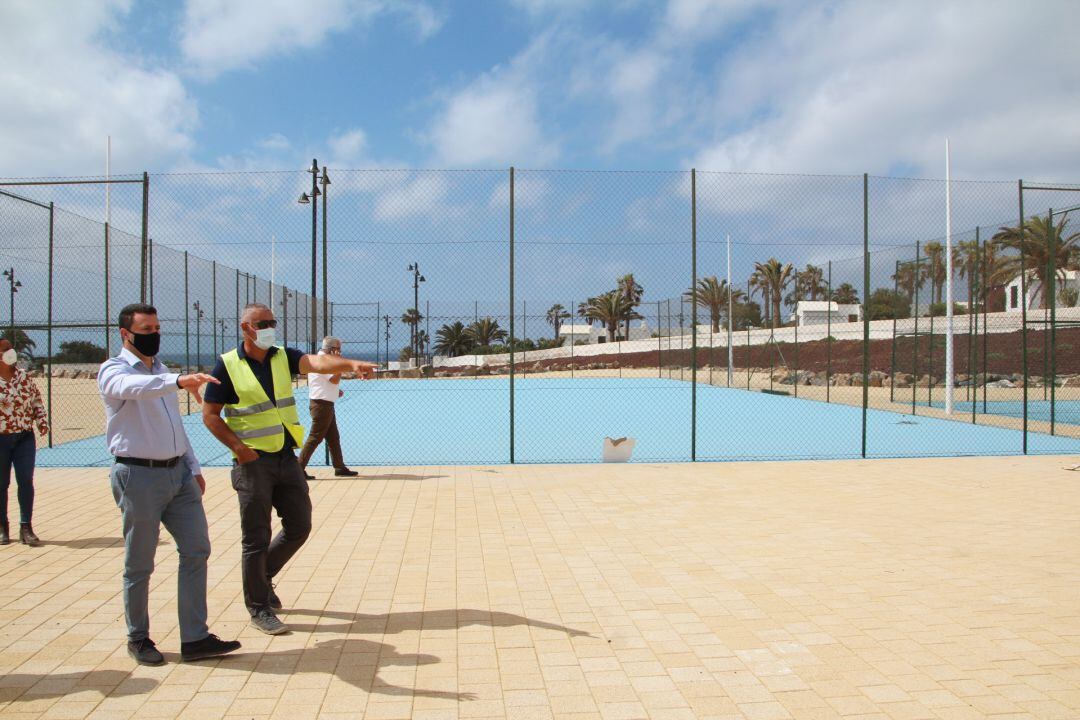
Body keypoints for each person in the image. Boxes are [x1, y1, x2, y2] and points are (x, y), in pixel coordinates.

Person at [202, 303, 376, 635]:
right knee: (255, 537)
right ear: (245, 328)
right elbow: (210, 414)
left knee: (299, 525)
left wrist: (352, 364)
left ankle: (262, 576)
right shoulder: (227, 365)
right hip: (251, 464)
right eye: (261, 323)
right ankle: (258, 607)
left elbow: (319, 361)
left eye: (272, 322)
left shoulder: (282, 355)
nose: (269, 328)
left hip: (284, 457)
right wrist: (239, 448)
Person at [98, 303, 241, 666]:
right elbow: (134, 388)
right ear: (125, 334)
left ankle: (194, 638)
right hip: (138, 476)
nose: (154, 334)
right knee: (140, 563)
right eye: (146, 329)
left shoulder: (160, 370)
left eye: (158, 327)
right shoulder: (113, 371)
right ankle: (139, 637)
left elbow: (174, 425)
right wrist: (179, 381)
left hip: (179, 475)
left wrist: (192, 466)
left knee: (197, 550)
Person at [0, 337, 48, 546]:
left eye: (11, 348)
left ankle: (26, 527)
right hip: (1, 439)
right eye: (5, 349)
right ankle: (2, 526)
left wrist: (42, 421)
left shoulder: (24, 376)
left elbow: (36, 399)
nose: (11, 352)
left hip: (24, 437)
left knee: (25, 481)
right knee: (1, 484)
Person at [297, 336, 358, 479]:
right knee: (315, 437)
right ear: (332, 350)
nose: (340, 352)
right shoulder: (326, 361)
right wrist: (340, 364)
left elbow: (323, 382)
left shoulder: (319, 359)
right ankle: (298, 468)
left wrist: (336, 391)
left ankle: (339, 467)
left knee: (333, 437)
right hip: (322, 405)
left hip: (323, 403)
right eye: (338, 350)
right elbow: (334, 378)